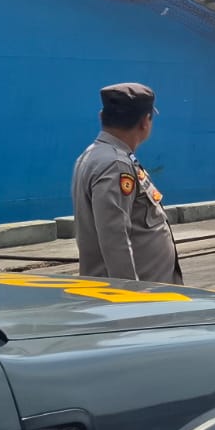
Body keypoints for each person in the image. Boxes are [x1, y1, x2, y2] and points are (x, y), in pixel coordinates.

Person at [71, 82, 182, 284]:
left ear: (101, 116)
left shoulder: (95, 156)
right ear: (145, 122)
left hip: (144, 290)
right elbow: (115, 238)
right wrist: (129, 293)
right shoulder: (115, 164)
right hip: (138, 294)